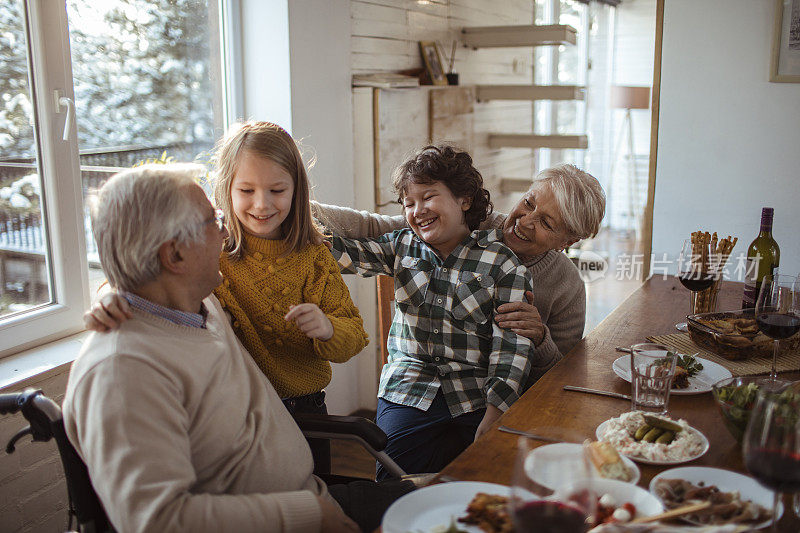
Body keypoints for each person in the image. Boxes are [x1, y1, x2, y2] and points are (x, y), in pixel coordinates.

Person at [63, 164, 412, 533]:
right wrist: (309, 514)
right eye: (213, 221)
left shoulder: (200, 303)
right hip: (298, 518)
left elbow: (143, 281)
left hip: (311, 497)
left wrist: (113, 291)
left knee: (459, 495)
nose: (227, 230)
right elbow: (156, 522)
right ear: (176, 256)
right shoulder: (122, 372)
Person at [85, 121, 369, 474]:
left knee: (316, 491)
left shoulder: (312, 256)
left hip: (303, 406)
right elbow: (146, 272)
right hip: (237, 409)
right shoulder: (208, 248)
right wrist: (110, 295)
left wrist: (327, 329)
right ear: (226, 190)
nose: (262, 205)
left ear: (297, 190)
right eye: (247, 190)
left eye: (277, 190)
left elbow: (354, 335)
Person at [328, 145, 540, 480]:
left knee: (495, 475)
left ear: (464, 200)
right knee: (394, 478)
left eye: (428, 197)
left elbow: (511, 347)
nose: (417, 210)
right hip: (409, 388)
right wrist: (293, 227)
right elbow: (340, 255)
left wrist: (497, 410)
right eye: (408, 203)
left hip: (476, 393)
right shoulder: (400, 247)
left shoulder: (502, 262)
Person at [314, 163, 606, 373]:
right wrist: (291, 204)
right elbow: (373, 227)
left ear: (568, 241)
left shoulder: (567, 285)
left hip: (501, 403)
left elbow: (562, 376)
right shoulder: (464, 223)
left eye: (546, 223)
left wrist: (540, 338)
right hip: (421, 385)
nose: (525, 221)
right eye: (528, 203)